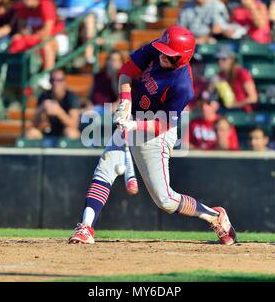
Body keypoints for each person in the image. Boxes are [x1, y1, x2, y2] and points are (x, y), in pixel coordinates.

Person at [68, 25, 237, 246]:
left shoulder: (183, 86)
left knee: (165, 200)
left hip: (155, 132)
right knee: (105, 168)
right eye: (163, 50)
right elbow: (126, 71)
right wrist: (126, 100)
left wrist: (133, 125)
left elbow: (162, 125)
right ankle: (86, 227)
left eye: (170, 55)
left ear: (183, 58)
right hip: (133, 118)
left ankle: (214, 216)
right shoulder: (157, 50)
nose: (163, 56)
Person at [10, 0, 65, 89]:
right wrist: (22, 35)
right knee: (15, 40)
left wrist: (28, 37)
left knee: (46, 43)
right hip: (35, 40)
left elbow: (47, 32)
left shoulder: (45, 4)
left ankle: (47, 76)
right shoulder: (24, 8)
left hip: (57, 38)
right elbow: (22, 29)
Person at [25, 69, 81, 141]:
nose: (55, 83)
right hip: (47, 133)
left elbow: (74, 125)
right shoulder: (44, 97)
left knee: (70, 133)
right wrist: (42, 108)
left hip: (63, 133)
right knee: (30, 134)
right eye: (52, 80)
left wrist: (59, 112)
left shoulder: (71, 97)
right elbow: (34, 124)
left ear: (64, 82)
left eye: (59, 80)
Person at [213, 45, 258, 113]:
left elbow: (253, 98)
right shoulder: (219, 76)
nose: (220, 62)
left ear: (231, 59)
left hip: (243, 112)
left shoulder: (242, 73)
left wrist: (234, 105)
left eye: (223, 59)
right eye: (217, 59)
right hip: (226, 112)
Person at [89, 50, 125, 116]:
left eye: (118, 60)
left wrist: (116, 104)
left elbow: (123, 96)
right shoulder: (98, 76)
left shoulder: (123, 78)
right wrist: (89, 104)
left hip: (111, 108)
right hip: (96, 107)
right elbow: (91, 95)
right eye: (112, 60)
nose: (114, 63)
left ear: (121, 62)